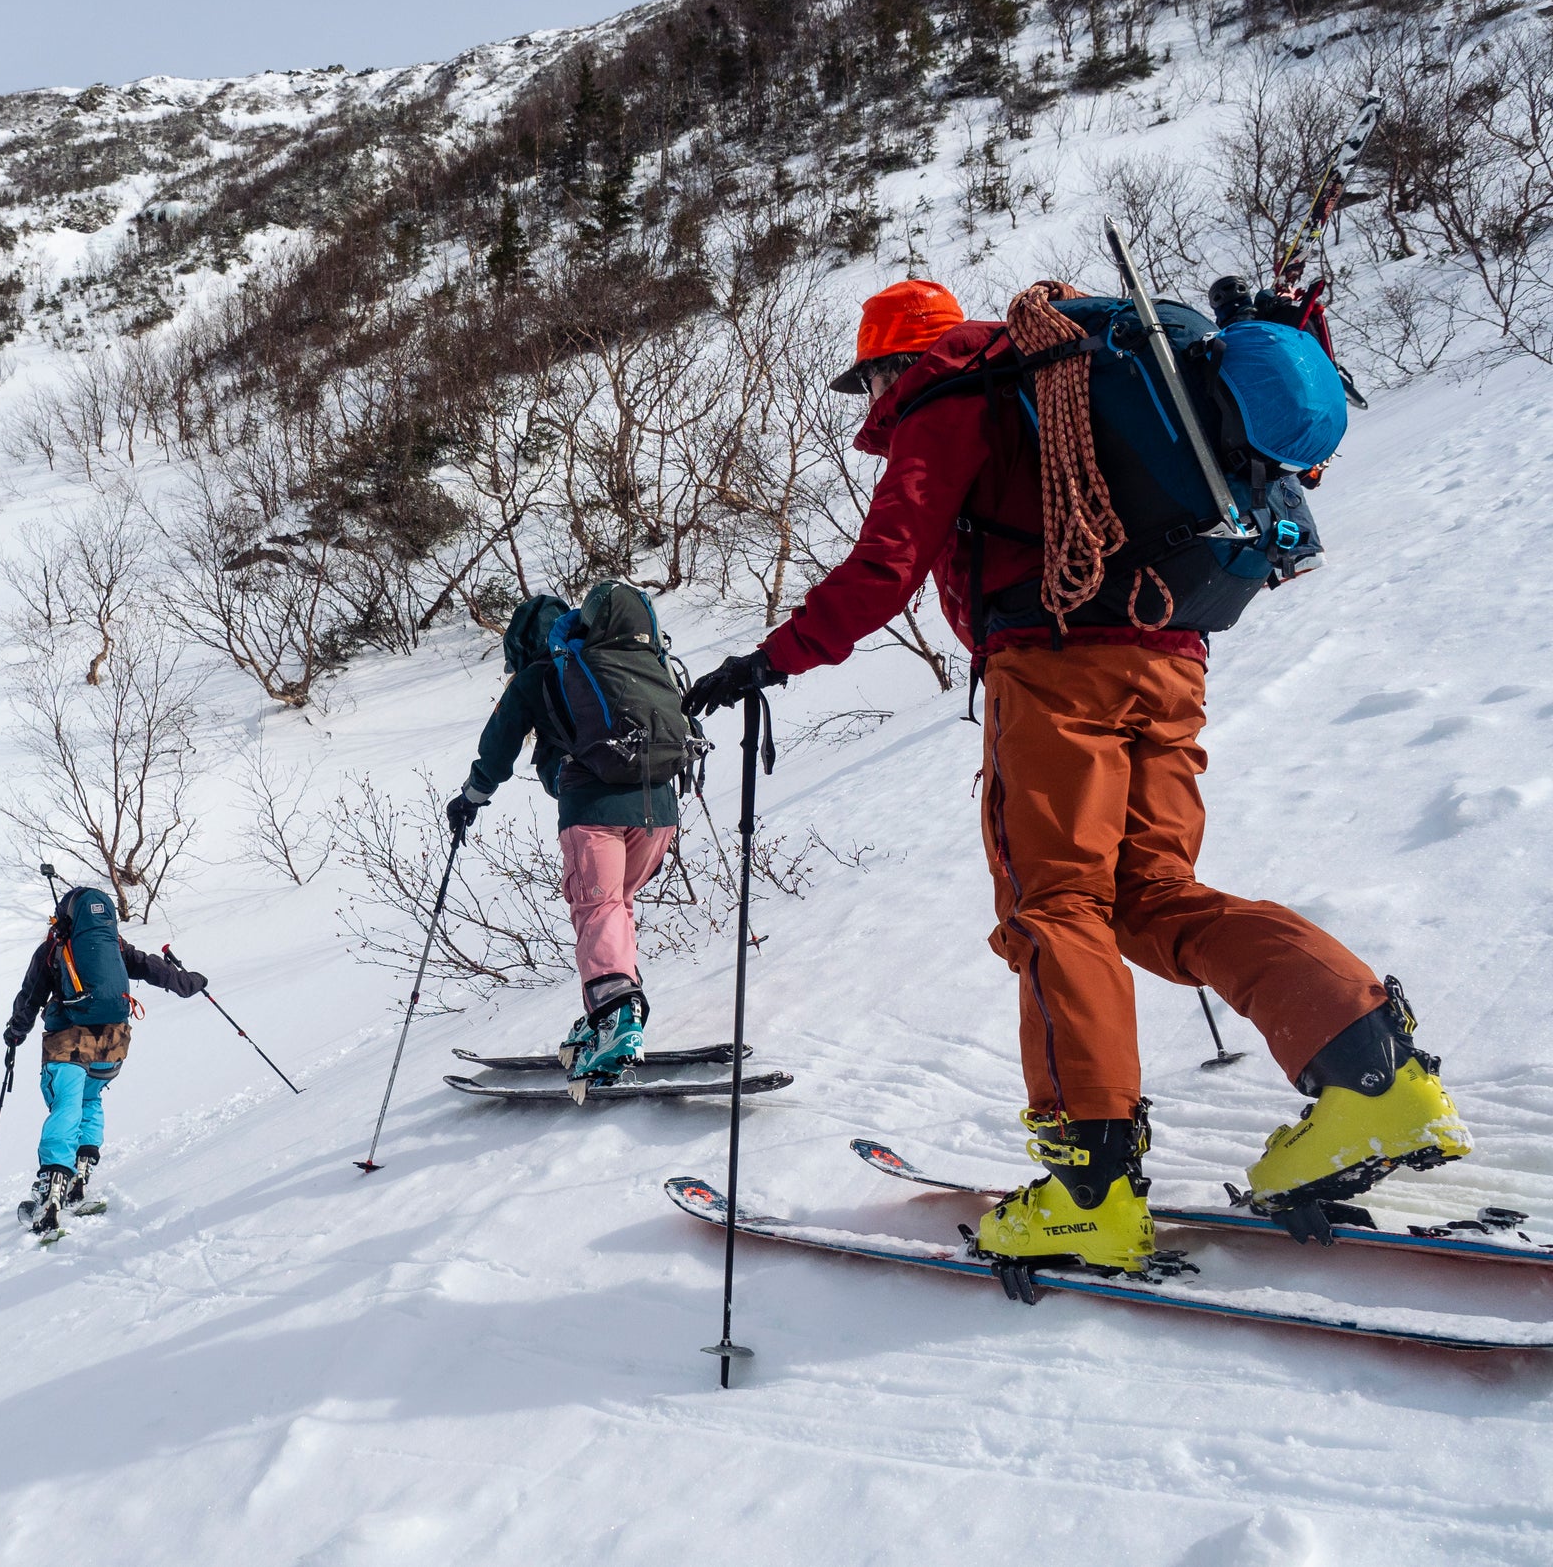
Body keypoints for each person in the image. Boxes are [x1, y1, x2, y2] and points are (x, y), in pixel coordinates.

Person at [681, 276, 1468, 1274]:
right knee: (1152, 896)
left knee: (1055, 906)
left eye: (871, 381)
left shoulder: (951, 390)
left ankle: (1089, 1191)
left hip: (1057, 665)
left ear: (893, 361)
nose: (874, 405)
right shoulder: (1077, 373)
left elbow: (890, 561)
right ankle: (1376, 1076)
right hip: (1172, 656)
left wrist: (775, 657)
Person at [446, 585, 684, 1086]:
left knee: (595, 907)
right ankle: (609, 1013)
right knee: (614, 906)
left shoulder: (540, 675)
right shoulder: (637, 662)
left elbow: (498, 749)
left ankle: (617, 1014)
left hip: (593, 810)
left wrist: (470, 798)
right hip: (660, 810)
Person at [2, 885, 207, 1236]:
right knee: (90, 1099)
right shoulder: (115, 945)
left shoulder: (53, 947)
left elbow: (30, 996)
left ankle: (52, 1192)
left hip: (69, 1041)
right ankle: (80, 1179)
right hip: (113, 1043)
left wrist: (15, 1034)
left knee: (66, 1105)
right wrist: (187, 983)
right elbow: (150, 967)